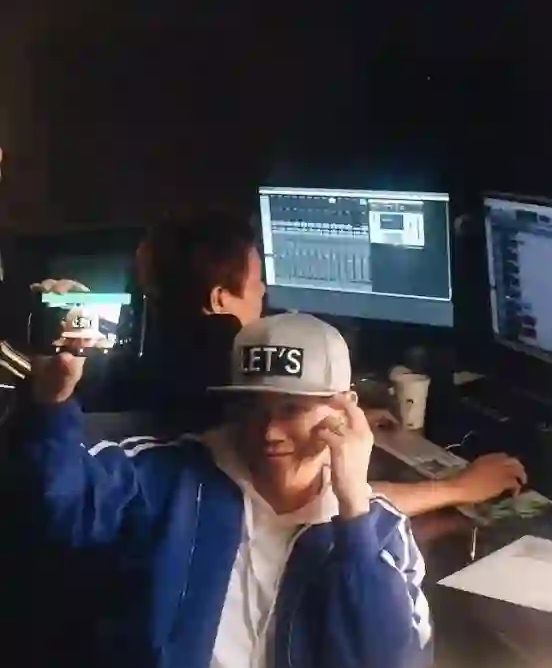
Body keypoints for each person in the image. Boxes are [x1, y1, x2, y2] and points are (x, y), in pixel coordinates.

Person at [23, 311, 432, 668]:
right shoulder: (162, 475)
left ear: (345, 410)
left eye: (291, 409)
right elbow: (55, 508)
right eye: (252, 407)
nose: (269, 431)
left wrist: (354, 508)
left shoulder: (376, 528)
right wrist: (51, 404)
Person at [131, 211, 527, 516]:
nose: (264, 289)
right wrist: (459, 487)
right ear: (220, 299)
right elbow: (321, 504)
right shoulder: (224, 374)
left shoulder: (160, 360)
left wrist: (319, 417)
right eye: (256, 281)